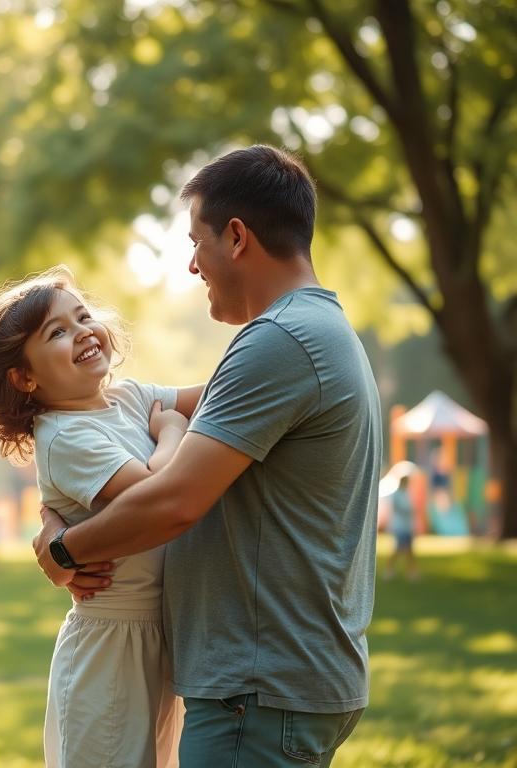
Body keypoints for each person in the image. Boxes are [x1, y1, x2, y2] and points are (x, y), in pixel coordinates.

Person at [33, 145, 382, 767]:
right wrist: (57, 512)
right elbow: (131, 440)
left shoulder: (280, 341)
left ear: (238, 238)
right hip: (272, 681)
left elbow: (173, 502)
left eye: (197, 242)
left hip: (261, 685)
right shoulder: (306, 332)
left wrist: (63, 552)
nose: (193, 265)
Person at [0, 265, 205, 768]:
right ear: (24, 377)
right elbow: (157, 496)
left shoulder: (130, 398)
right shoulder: (64, 437)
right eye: (57, 332)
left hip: (159, 635)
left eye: (83, 316)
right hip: (111, 646)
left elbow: (221, 396)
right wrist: (175, 431)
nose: (83, 332)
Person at [385, 474, 418, 580]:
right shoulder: (397, 494)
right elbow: (401, 508)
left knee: (410, 551)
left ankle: (411, 572)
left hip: (407, 526)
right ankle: (389, 570)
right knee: (399, 549)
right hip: (400, 526)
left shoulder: (406, 494)